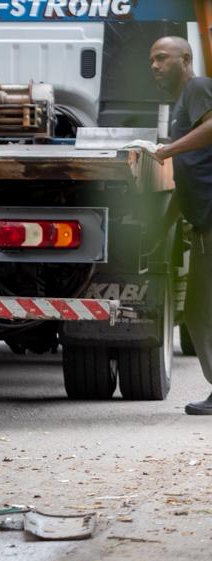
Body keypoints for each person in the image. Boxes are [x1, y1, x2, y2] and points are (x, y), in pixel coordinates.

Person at [152, 36, 212, 414]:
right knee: (197, 309)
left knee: (200, 310)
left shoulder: (199, 88)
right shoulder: (181, 103)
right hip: (202, 222)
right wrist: (163, 228)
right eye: (151, 61)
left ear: (185, 59)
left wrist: (167, 149)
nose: (155, 66)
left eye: (162, 58)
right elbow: (187, 174)